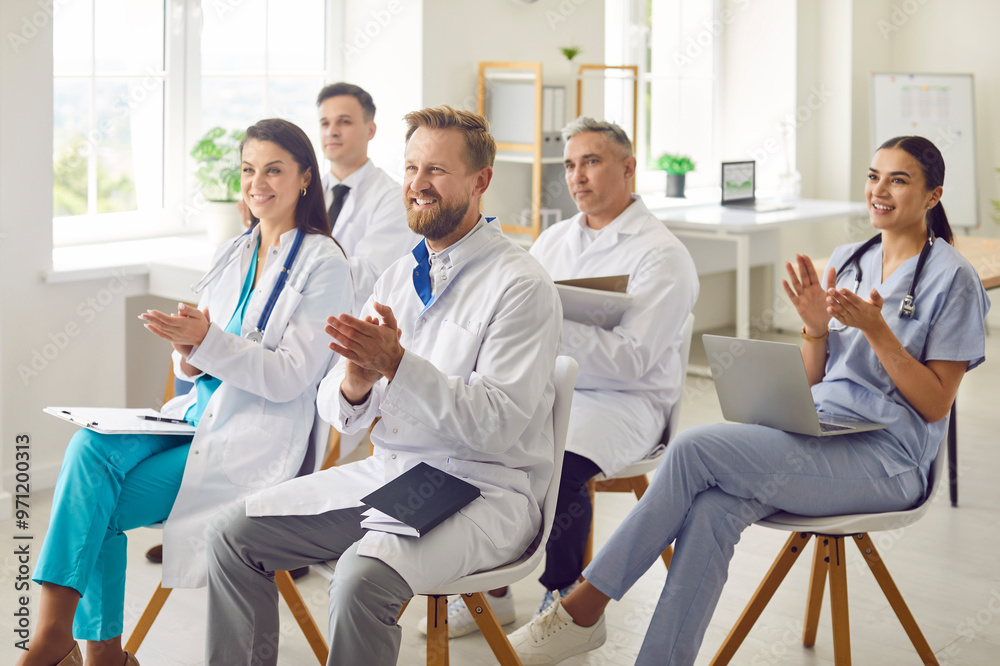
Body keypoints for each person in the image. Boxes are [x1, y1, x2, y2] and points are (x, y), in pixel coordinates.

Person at [507, 135, 991, 665]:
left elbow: (936, 404)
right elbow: (814, 379)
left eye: (899, 180)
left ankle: (582, 609)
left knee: (693, 450)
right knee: (714, 508)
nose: (880, 190)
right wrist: (812, 328)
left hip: (889, 458)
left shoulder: (954, 279)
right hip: (823, 430)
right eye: (874, 176)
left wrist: (878, 332)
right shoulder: (851, 259)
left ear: (932, 196)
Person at [203, 105, 562, 666]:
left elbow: (498, 426)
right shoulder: (398, 275)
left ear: (480, 181)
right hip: (393, 477)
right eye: (412, 168)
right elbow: (337, 410)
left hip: (480, 488)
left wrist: (397, 365)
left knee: (359, 581)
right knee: (232, 534)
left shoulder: (521, 285)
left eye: (437, 172)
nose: (417, 185)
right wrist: (355, 380)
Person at [19, 118, 352, 666]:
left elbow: (292, 375)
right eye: (249, 170)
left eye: (274, 170)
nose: (257, 183)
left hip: (252, 443)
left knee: (89, 505)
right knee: (87, 447)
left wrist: (209, 342)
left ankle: (78, 646)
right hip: (195, 417)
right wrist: (189, 346)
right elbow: (198, 364)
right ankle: (79, 645)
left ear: (305, 179)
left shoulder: (325, 264)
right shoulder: (233, 252)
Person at [422, 117, 699, 639]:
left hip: (625, 402)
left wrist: (548, 322)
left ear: (628, 167)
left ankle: (565, 598)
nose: (577, 176)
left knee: (561, 461)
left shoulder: (663, 256)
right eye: (570, 165)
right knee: (486, 441)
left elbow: (631, 361)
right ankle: (493, 591)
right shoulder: (553, 240)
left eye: (591, 162)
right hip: (551, 386)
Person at [317, 82, 418, 314]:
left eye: (344, 122)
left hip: (354, 326)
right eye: (325, 123)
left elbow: (372, 276)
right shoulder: (307, 193)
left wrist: (299, 262)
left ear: (370, 130)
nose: (332, 131)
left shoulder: (392, 198)